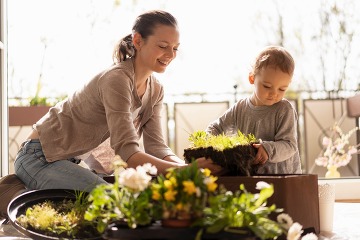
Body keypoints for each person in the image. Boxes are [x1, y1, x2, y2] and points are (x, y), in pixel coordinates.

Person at [14, 10, 220, 192]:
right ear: (138, 41)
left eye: (175, 48)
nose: (170, 55)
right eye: (163, 46)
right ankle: (23, 193)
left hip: (68, 161)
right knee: (112, 200)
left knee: (141, 196)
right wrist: (187, 169)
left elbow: (157, 146)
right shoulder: (116, 79)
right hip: (38, 157)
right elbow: (128, 152)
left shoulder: (155, 89)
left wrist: (189, 169)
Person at [206, 46, 302, 174]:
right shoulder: (240, 108)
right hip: (250, 177)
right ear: (252, 79)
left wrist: (267, 149)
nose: (274, 93)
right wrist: (210, 145)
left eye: (282, 89)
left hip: (282, 179)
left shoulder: (284, 109)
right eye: (267, 86)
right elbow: (215, 128)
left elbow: (289, 145)